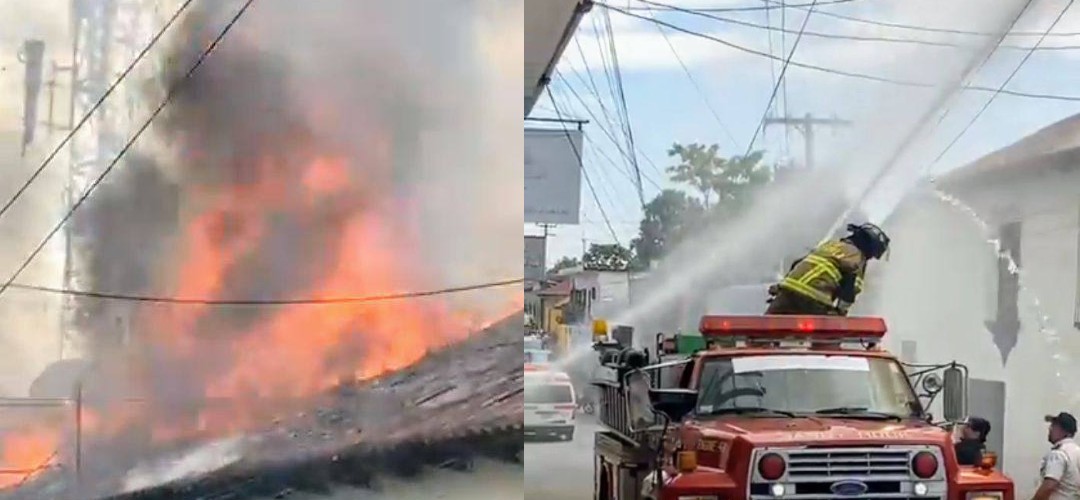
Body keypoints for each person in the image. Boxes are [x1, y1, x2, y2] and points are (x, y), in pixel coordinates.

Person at [765, 222, 890, 316]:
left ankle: (757, 344)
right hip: (815, 301)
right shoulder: (856, 256)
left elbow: (798, 263)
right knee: (829, 337)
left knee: (765, 330)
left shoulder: (829, 246)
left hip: (788, 292)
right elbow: (850, 288)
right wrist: (841, 311)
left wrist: (781, 286)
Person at [1033, 412, 1080, 500]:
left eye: (1054, 426)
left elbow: (1049, 485)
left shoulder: (1058, 454)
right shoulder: (1076, 451)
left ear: (1065, 432)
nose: (1050, 428)